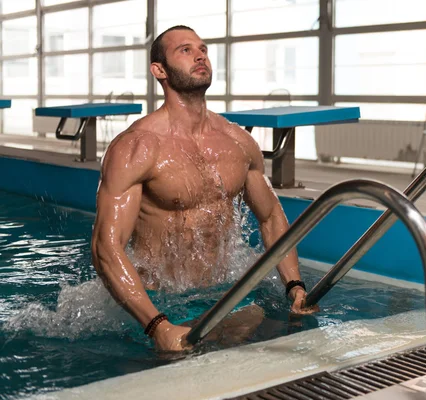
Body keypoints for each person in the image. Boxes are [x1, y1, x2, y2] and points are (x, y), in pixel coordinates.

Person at [91, 25, 317, 352]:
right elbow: (105, 247)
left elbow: (270, 218)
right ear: (159, 70)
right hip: (157, 304)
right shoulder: (136, 148)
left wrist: (294, 285)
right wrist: (157, 326)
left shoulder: (238, 142)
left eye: (203, 49)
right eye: (184, 50)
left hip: (224, 297)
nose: (200, 55)